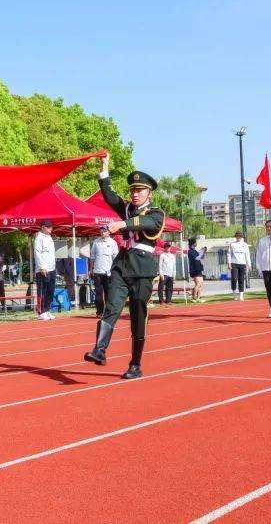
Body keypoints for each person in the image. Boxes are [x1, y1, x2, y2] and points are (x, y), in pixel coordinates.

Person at [82, 154, 165, 380]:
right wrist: (104, 169)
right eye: (133, 190)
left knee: (138, 315)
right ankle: (99, 350)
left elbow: (147, 223)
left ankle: (135, 364)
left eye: (140, 190)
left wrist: (121, 224)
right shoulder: (128, 209)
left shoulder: (156, 213)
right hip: (123, 264)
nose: (135, 194)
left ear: (149, 193)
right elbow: (110, 196)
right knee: (112, 306)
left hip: (143, 269)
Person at [89, 225, 118, 314]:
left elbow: (115, 258)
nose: (102, 232)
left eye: (104, 230)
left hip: (108, 272)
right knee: (98, 294)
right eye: (101, 230)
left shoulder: (113, 242)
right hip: (97, 272)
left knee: (108, 293)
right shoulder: (96, 242)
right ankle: (99, 311)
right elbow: (92, 257)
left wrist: (115, 271)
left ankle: (108, 312)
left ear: (108, 232)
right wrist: (91, 269)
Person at [34, 219, 57, 320]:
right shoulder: (39, 238)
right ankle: (41, 312)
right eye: (49, 227)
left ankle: (47, 310)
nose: (51, 229)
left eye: (51, 227)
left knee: (50, 290)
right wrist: (42, 267)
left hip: (51, 268)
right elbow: (37, 253)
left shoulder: (49, 237)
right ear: (43, 227)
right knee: (42, 290)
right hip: (43, 269)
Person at [228, 231, 251, 300]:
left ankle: (241, 295)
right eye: (237, 236)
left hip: (242, 264)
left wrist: (249, 264)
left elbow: (247, 255)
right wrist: (229, 263)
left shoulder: (245, 245)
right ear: (235, 237)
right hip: (234, 263)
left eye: (240, 236)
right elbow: (229, 254)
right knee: (234, 279)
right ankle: (234, 293)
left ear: (241, 237)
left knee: (241, 279)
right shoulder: (232, 244)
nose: (238, 237)